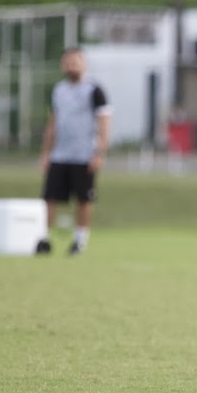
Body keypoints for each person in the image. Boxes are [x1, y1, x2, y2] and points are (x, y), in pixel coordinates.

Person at [37, 48, 112, 255]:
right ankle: (44, 238)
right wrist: (46, 152)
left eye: (75, 62)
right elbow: (52, 124)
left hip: (84, 154)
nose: (71, 66)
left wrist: (99, 153)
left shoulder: (94, 90)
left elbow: (104, 123)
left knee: (84, 199)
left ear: (84, 63)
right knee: (49, 197)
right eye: (68, 62)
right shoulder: (58, 90)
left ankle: (79, 240)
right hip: (60, 154)